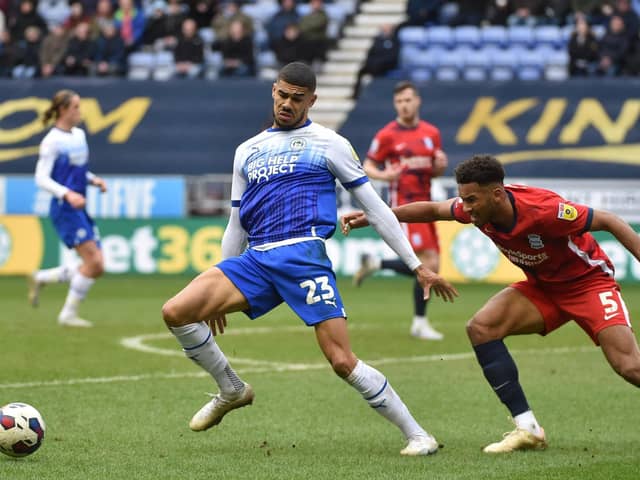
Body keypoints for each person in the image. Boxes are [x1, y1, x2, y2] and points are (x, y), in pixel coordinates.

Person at [161, 62, 458, 456]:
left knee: (341, 360)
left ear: (311, 101)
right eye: (282, 95)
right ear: (273, 91)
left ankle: (418, 435)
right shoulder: (246, 151)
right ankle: (231, 388)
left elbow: (376, 208)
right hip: (255, 259)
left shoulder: (329, 143)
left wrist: (416, 265)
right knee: (176, 311)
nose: (287, 104)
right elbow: (236, 221)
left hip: (303, 255)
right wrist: (223, 270)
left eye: (297, 99)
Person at [341, 154, 640, 453]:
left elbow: (609, 220)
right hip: (544, 288)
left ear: (497, 194)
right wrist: (378, 215)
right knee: (482, 328)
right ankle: (528, 429)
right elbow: (434, 209)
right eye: (463, 200)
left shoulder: (544, 211)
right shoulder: (476, 208)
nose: (466, 209)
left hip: (587, 283)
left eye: (471, 200)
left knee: (629, 367)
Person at [353, 81, 448, 341]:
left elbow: (435, 169)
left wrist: (440, 166)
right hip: (405, 207)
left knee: (434, 265)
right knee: (427, 263)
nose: (404, 105)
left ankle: (376, 264)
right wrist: (385, 175)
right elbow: (368, 165)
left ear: (417, 101)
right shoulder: (387, 135)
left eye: (408, 100)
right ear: (396, 105)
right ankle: (419, 322)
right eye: (399, 101)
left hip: (428, 206)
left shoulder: (432, 133)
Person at [28, 89, 107, 328]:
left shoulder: (79, 135)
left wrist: (92, 179)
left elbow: (78, 171)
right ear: (63, 110)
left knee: (97, 265)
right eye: (75, 107)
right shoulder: (52, 141)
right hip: (65, 208)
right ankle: (67, 315)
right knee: (94, 263)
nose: (79, 112)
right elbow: (41, 178)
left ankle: (42, 277)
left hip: (79, 206)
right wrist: (67, 193)